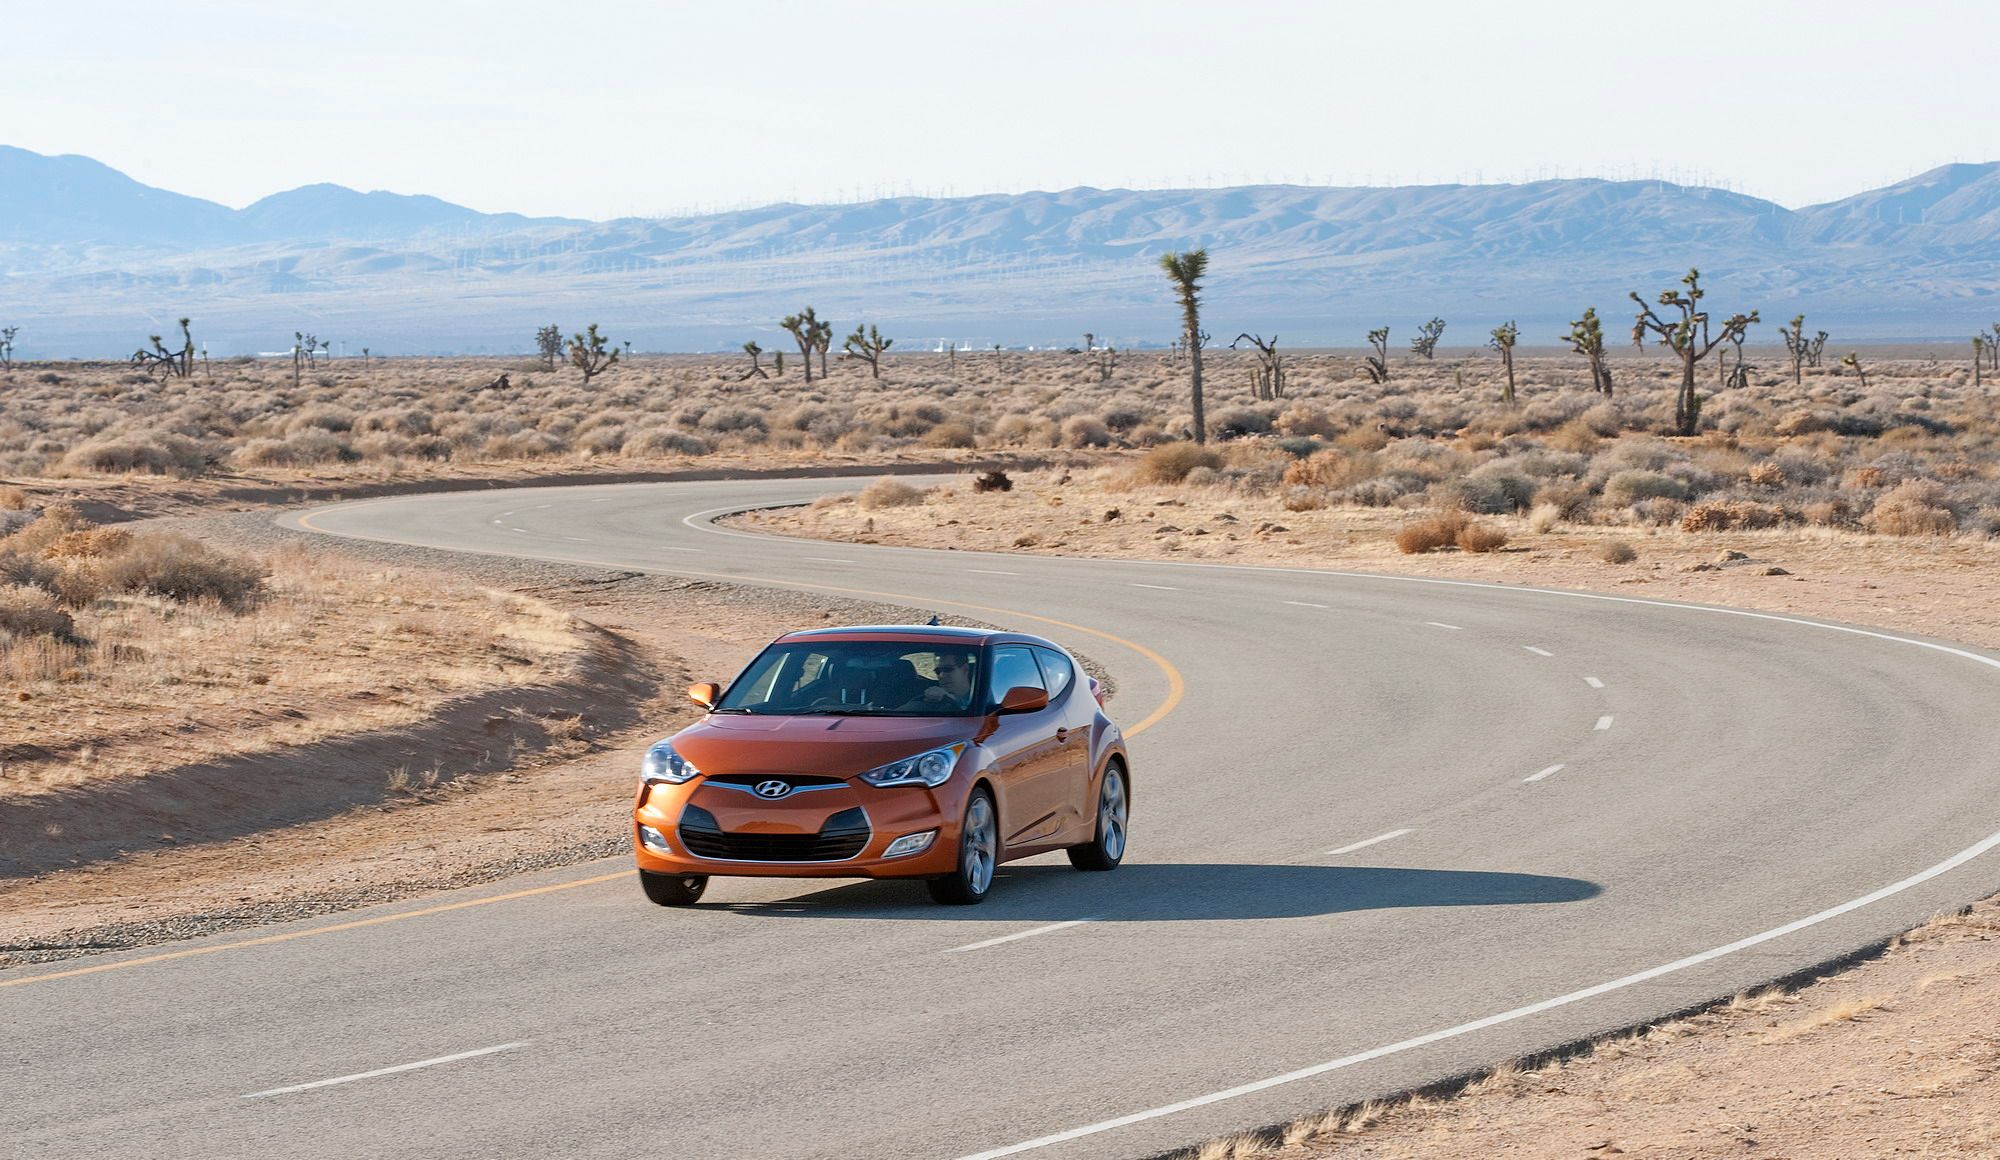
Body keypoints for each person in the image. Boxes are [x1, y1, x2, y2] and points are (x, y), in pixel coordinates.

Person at [899, 651, 977, 712]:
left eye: (948, 669)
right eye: (938, 671)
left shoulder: (983, 697)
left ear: (965, 669)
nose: (941, 675)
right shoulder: (928, 699)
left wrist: (951, 699)